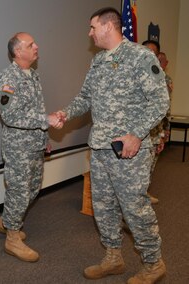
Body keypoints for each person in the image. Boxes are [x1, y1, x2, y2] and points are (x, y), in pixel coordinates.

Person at [55, 7, 169, 283]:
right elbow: (85, 98)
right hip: (100, 148)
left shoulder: (141, 57)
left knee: (134, 207)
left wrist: (137, 135)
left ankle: (153, 263)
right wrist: (65, 113)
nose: (89, 33)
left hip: (129, 151)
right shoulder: (98, 61)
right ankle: (113, 257)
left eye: (93, 27)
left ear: (108, 26)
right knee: (103, 206)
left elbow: (160, 102)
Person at [0, 32, 62, 262]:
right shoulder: (8, 79)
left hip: (34, 144)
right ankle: (12, 238)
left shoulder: (32, 75)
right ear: (18, 51)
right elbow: (11, 116)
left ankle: (6, 221)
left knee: (32, 188)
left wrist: (45, 138)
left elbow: (35, 109)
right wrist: (46, 120)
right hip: (18, 148)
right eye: (31, 45)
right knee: (19, 192)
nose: (36, 46)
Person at [142, 42, 173, 205]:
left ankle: (144, 194)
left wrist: (163, 133)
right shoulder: (133, 74)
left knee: (150, 166)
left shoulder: (159, 77)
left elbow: (163, 109)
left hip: (154, 132)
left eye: (153, 52)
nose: (149, 55)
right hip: (137, 135)